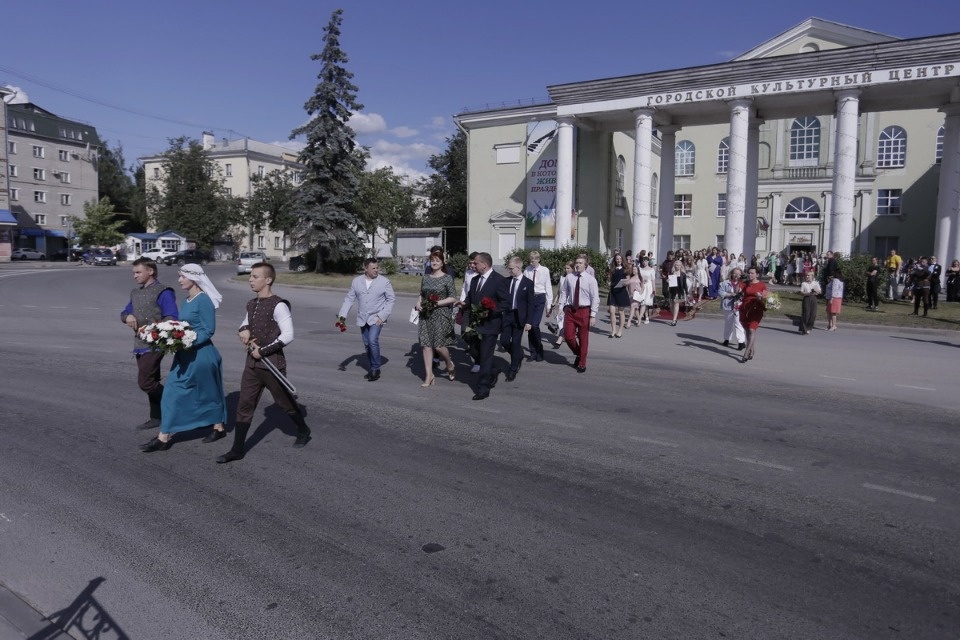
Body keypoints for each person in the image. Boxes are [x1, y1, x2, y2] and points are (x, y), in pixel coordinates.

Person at [216, 262, 312, 463]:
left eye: (255, 276)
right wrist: (243, 330)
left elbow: (288, 335)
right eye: (250, 276)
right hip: (251, 364)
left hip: (272, 364)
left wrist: (264, 351)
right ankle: (237, 449)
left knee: (284, 402)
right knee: (245, 404)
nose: (250, 279)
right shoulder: (251, 304)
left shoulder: (279, 304)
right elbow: (245, 323)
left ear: (268, 280)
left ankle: (303, 430)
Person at [140, 264, 227, 452]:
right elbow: (182, 326)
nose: (179, 280)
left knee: (208, 393)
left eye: (182, 276)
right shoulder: (187, 300)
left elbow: (208, 330)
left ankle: (218, 427)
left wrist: (186, 342)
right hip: (184, 356)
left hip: (202, 355)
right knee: (171, 392)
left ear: (193, 277)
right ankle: (163, 437)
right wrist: (166, 334)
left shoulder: (203, 300)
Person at [121, 257, 178, 431]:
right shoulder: (136, 293)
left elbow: (172, 317)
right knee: (151, 381)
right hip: (139, 343)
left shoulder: (163, 291)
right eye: (133, 273)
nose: (135, 276)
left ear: (150, 271)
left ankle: (176, 407)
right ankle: (156, 417)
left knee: (145, 382)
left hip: (156, 343)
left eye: (138, 272)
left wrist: (153, 328)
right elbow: (125, 311)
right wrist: (127, 317)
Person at [338, 257, 395, 381]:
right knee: (367, 344)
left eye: (377, 267)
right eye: (373, 268)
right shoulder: (356, 281)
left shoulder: (384, 282)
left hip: (377, 318)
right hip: (363, 318)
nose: (376, 270)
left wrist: (383, 315)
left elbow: (391, 300)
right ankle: (372, 367)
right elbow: (349, 299)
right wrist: (342, 316)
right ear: (365, 269)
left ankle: (375, 368)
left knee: (372, 340)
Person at [464, 252, 507, 400]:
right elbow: (470, 298)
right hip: (475, 324)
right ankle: (493, 370)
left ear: (484, 264)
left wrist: (489, 310)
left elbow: (505, 303)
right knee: (475, 351)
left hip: (490, 325)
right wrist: (462, 304)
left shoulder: (499, 281)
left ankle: (483, 388)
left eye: (475, 263)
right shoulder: (475, 280)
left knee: (486, 356)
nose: (473, 265)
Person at [416, 250, 459, 387]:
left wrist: (436, 303)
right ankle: (429, 375)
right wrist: (418, 303)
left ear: (442, 263)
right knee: (426, 345)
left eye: (437, 261)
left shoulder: (447, 278)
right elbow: (421, 294)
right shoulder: (426, 277)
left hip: (441, 314)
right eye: (432, 260)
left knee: (439, 346)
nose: (434, 263)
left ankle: (449, 363)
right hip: (426, 315)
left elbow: (453, 297)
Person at [558, 255, 599, 372]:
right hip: (571, 310)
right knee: (568, 336)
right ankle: (579, 353)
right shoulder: (569, 277)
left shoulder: (591, 280)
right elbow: (564, 292)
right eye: (576, 262)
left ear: (585, 265)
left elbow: (595, 298)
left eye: (580, 263)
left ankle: (582, 363)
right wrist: (561, 306)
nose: (578, 264)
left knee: (583, 338)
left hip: (584, 310)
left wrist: (593, 315)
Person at [500, 257, 534, 381]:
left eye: (511, 268)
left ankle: (513, 369)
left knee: (515, 343)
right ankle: (518, 355)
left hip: (520, 317)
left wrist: (529, 321)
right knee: (504, 341)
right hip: (508, 315)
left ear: (518, 268)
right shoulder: (506, 281)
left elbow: (531, 304)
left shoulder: (528, 283)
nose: (509, 271)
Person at [523, 251, 552, 362]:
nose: (532, 261)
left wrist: (548, 305)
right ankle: (533, 352)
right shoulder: (527, 270)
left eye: (534, 259)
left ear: (539, 259)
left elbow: (548, 286)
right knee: (530, 326)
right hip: (529, 299)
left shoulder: (544, 270)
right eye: (531, 259)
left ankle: (539, 349)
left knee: (535, 325)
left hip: (540, 297)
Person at [738, 267, 768, 363]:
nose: (750, 275)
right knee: (747, 330)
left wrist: (761, 297)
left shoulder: (762, 285)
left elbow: (766, 298)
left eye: (752, 273)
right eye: (749, 273)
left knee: (752, 329)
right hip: (745, 308)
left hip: (756, 308)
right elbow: (737, 291)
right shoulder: (745, 283)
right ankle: (752, 349)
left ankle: (747, 352)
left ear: (757, 274)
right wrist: (740, 281)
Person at [718, 267, 745, 349]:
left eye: (738, 273)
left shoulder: (743, 283)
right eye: (734, 273)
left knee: (738, 324)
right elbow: (720, 292)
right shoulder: (725, 283)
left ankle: (741, 342)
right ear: (731, 274)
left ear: (741, 275)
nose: (736, 275)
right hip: (728, 305)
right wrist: (730, 294)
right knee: (728, 324)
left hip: (738, 306)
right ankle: (726, 339)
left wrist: (741, 295)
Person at [606, 253, 630, 338]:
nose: (618, 260)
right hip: (613, 291)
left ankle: (620, 331)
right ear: (615, 260)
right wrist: (608, 282)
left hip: (621, 292)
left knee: (620, 312)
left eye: (620, 259)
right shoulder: (612, 269)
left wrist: (625, 283)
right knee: (612, 311)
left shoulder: (625, 269)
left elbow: (628, 281)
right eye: (617, 259)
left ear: (622, 260)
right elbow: (609, 279)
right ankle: (613, 330)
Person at [667, 260, 687, 326]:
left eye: (679, 265)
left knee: (676, 304)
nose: (677, 266)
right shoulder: (672, 272)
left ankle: (674, 320)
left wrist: (686, 292)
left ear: (681, 266)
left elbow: (684, 284)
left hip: (679, 291)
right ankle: (675, 315)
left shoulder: (683, 274)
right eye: (676, 265)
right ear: (674, 265)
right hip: (672, 290)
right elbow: (669, 281)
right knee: (671, 306)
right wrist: (668, 281)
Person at [636, 256, 656, 324]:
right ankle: (644, 317)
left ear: (648, 261)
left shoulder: (651, 269)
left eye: (645, 261)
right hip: (642, 286)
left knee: (645, 303)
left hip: (649, 287)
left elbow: (653, 280)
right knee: (642, 302)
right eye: (643, 261)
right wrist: (641, 281)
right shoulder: (640, 269)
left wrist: (654, 289)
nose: (644, 262)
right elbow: (638, 278)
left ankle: (642, 317)